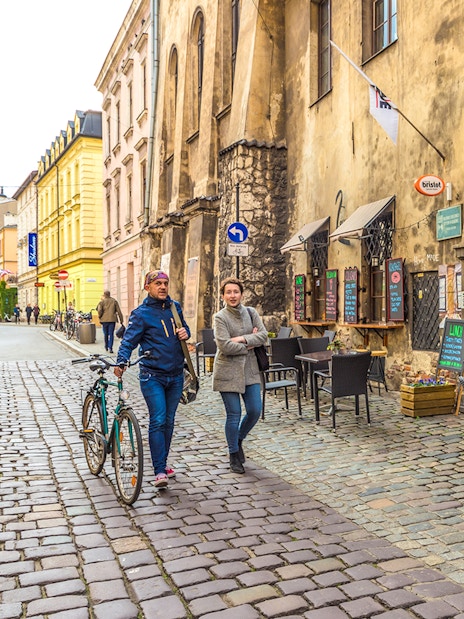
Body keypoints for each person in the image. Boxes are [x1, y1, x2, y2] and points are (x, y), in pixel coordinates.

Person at [115, 270, 190, 488]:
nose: (163, 287)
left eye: (166, 283)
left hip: (175, 374)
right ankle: (159, 471)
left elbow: (184, 331)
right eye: (158, 283)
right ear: (148, 287)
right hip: (152, 376)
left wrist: (185, 333)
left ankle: (163, 462)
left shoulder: (175, 308)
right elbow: (129, 341)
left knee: (168, 421)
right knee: (158, 419)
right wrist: (122, 361)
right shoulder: (141, 314)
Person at [212, 276, 268, 474]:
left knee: (254, 410)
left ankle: (238, 439)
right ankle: (233, 454)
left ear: (242, 294)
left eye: (236, 292)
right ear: (223, 295)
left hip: (250, 370)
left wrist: (242, 338)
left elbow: (264, 336)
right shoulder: (220, 317)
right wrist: (250, 344)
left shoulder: (251, 313)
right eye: (228, 292)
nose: (232, 295)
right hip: (227, 371)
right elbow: (224, 346)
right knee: (233, 414)